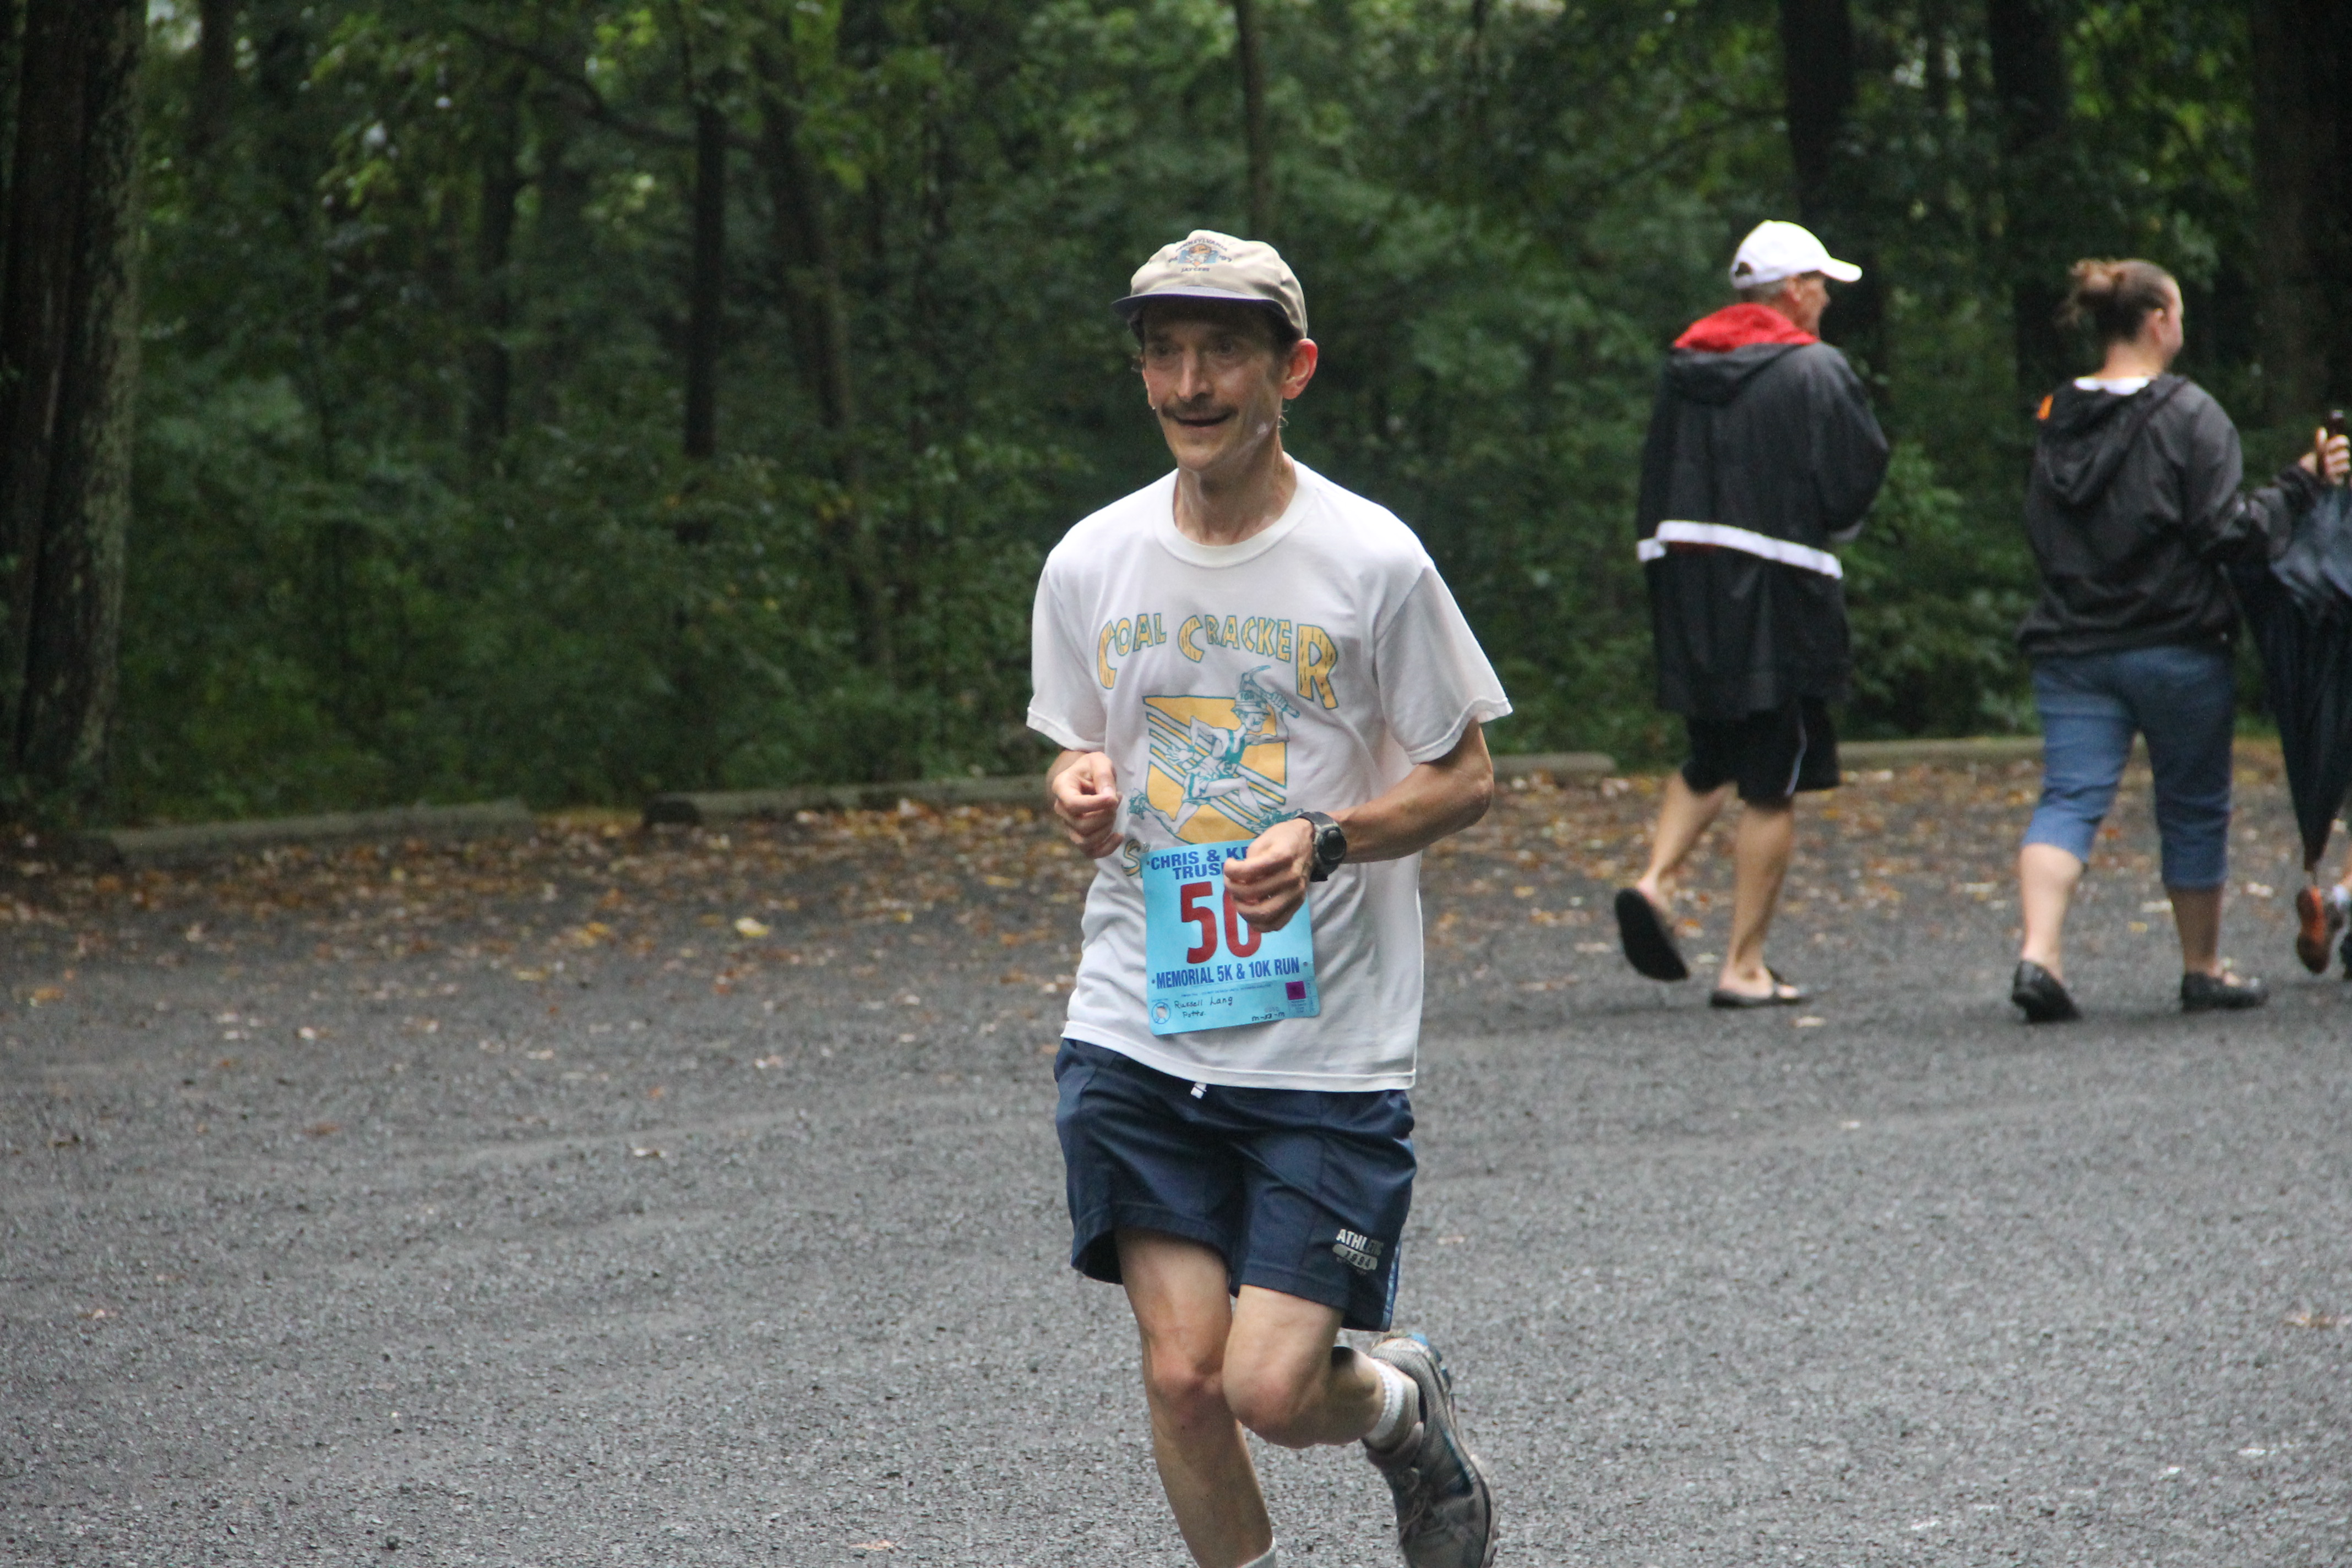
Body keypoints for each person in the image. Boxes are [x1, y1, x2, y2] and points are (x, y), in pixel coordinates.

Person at [1028, 230, 1511, 1568]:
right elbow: (1081, 746)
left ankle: (1401, 1404)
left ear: (1291, 368)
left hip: (1326, 1047)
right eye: (1165, 353)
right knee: (1186, 1374)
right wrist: (1075, 786)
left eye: (1223, 353)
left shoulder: (1373, 560)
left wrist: (1331, 837)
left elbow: (1468, 777)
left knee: (1272, 1387)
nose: (1191, 382)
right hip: (1139, 1020)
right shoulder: (1090, 560)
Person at [2008, 258, 2347, 1022]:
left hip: (2072, 643)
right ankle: (2202, 968)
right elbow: (2227, 533)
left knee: (2068, 798)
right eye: (2182, 314)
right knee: (2193, 806)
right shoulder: (2192, 414)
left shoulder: (2055, 413)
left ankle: (2039, 955)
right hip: (2178, 645)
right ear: (2159, 320)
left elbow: (2039, 526)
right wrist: (2300, 484)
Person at [1613, 220, 1888, 1006]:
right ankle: (1743, 967)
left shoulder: (1683, 366)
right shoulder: (1816, 370)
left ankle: (1656, 881)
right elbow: (1852, 484)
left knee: (1712, 749)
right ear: (1793, 291)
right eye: (1821, 285)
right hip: (1780, 590)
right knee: (1773, 778)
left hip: (1685, 581)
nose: (1827, 299)